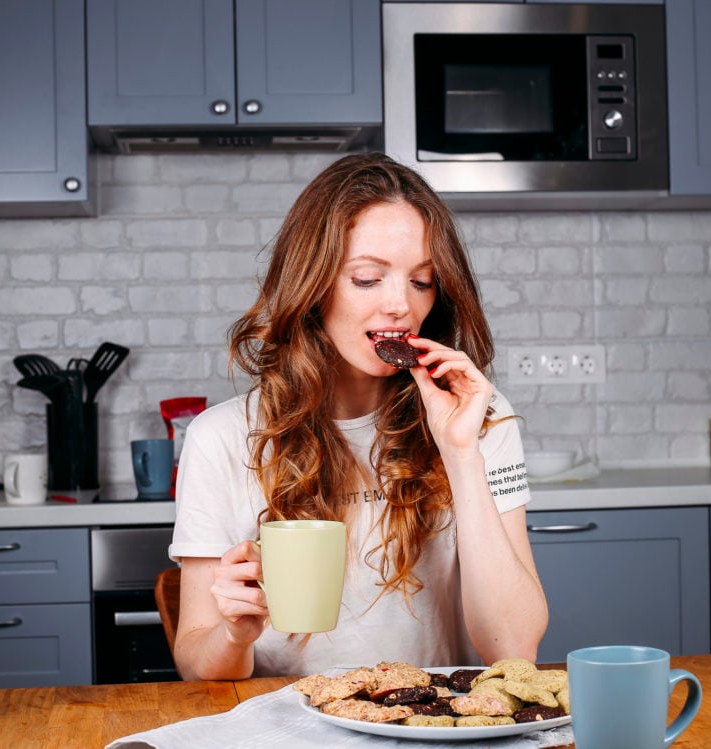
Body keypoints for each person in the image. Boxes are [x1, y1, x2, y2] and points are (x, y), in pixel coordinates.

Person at [169, 152, 548, 680]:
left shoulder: (479, 415)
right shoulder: (222, 436)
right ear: (312, 284)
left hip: (431, 725)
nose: (400, 305)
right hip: (288, 725)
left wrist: (460, 453)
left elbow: (514, 648)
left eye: (422, 281)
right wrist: (235, 634)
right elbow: (194, 660)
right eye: (367, 279)